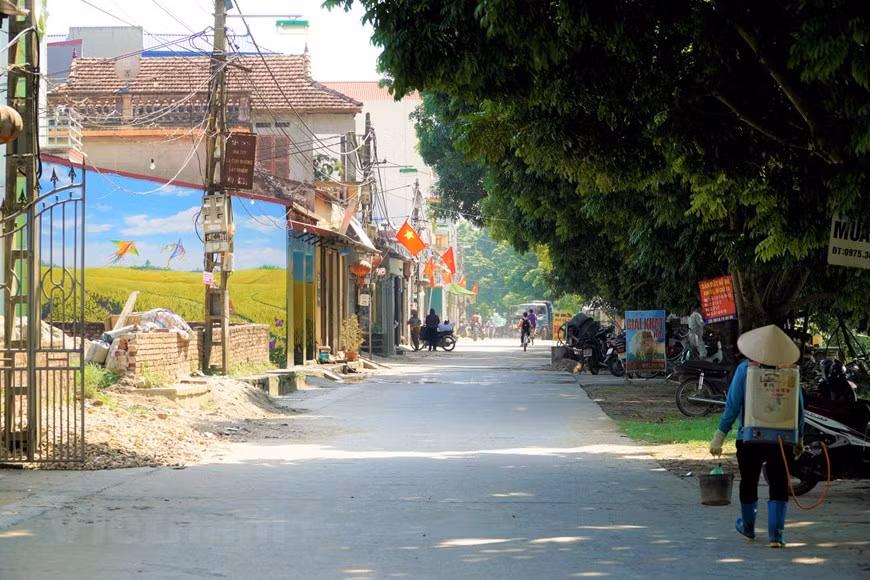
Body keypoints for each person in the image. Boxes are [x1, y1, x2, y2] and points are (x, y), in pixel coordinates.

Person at [709, 325, 804, 548]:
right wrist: (798, 439)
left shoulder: (745, 369)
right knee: (779, 484)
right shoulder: (790, 372)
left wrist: (719, 435)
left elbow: (732, 406)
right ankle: (776, 535)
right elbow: (799, 408)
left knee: (749, 482)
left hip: (750, 438)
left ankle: (749, 529)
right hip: (782, 439)